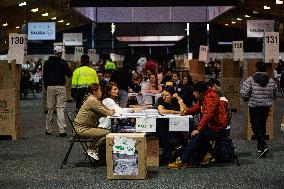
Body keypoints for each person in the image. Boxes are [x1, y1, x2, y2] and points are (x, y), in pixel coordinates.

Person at [167, 81, 229, 169]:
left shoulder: (211, 97)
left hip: (219, 128)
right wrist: (186, 111)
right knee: (193, 131)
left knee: (197, 135)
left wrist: (199, 129)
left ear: (199, 92)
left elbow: (208, 115)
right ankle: (208, 154)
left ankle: (182, 160)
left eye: (195, 92)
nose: (193, 94)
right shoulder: (204, 97)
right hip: (212, 126)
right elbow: (196, 107)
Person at [240, 61, 277, 157]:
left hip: (254, 106)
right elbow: (274, 94)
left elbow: (244, 93)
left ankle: (263, 145)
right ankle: (260, 147)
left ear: (256, 68)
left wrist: (247, 99)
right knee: (262, 124)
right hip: (266, 106)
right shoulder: (272, 81)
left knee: (255, 126)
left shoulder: (250, 80)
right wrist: (268, 99)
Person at [73, 83, 115, 160]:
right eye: (100, 90)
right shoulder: (92, 100)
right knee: (109, 133)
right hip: (82, 129)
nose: (101, 92)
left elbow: (106, 110)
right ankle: (92, 148)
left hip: (85, 127)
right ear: (94, 91)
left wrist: (110, 111)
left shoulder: (94, 99)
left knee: (107, 131)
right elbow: (106, 113)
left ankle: (95, 149)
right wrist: (111, 111)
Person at [43, 46, 72, 137]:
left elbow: (44, 77)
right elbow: (69, 74)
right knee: (60, 108)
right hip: (60, 87)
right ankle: (62, 130)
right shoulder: (63, 63)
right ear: (60, 53)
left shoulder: (47, 63)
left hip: (50, 87)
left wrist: (46, 87)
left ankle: (48, 129)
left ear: (54, 52)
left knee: (50, 108)